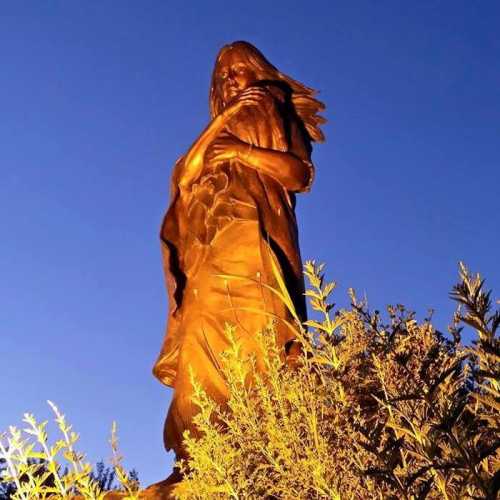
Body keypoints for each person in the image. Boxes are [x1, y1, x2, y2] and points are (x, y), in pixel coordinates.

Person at [153, 40, 325, 466]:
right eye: (222, 77)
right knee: (199, 336)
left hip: (250, 238)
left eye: (238, 71)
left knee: (255, 333)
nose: (229, 80)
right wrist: (224, 127)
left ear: (258, 72)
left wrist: (243, 151)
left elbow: (299, 174)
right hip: (208, 246)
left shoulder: (268, 105)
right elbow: (185, 174)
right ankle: (201, 460)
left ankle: (259, 453)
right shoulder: (223, 126)